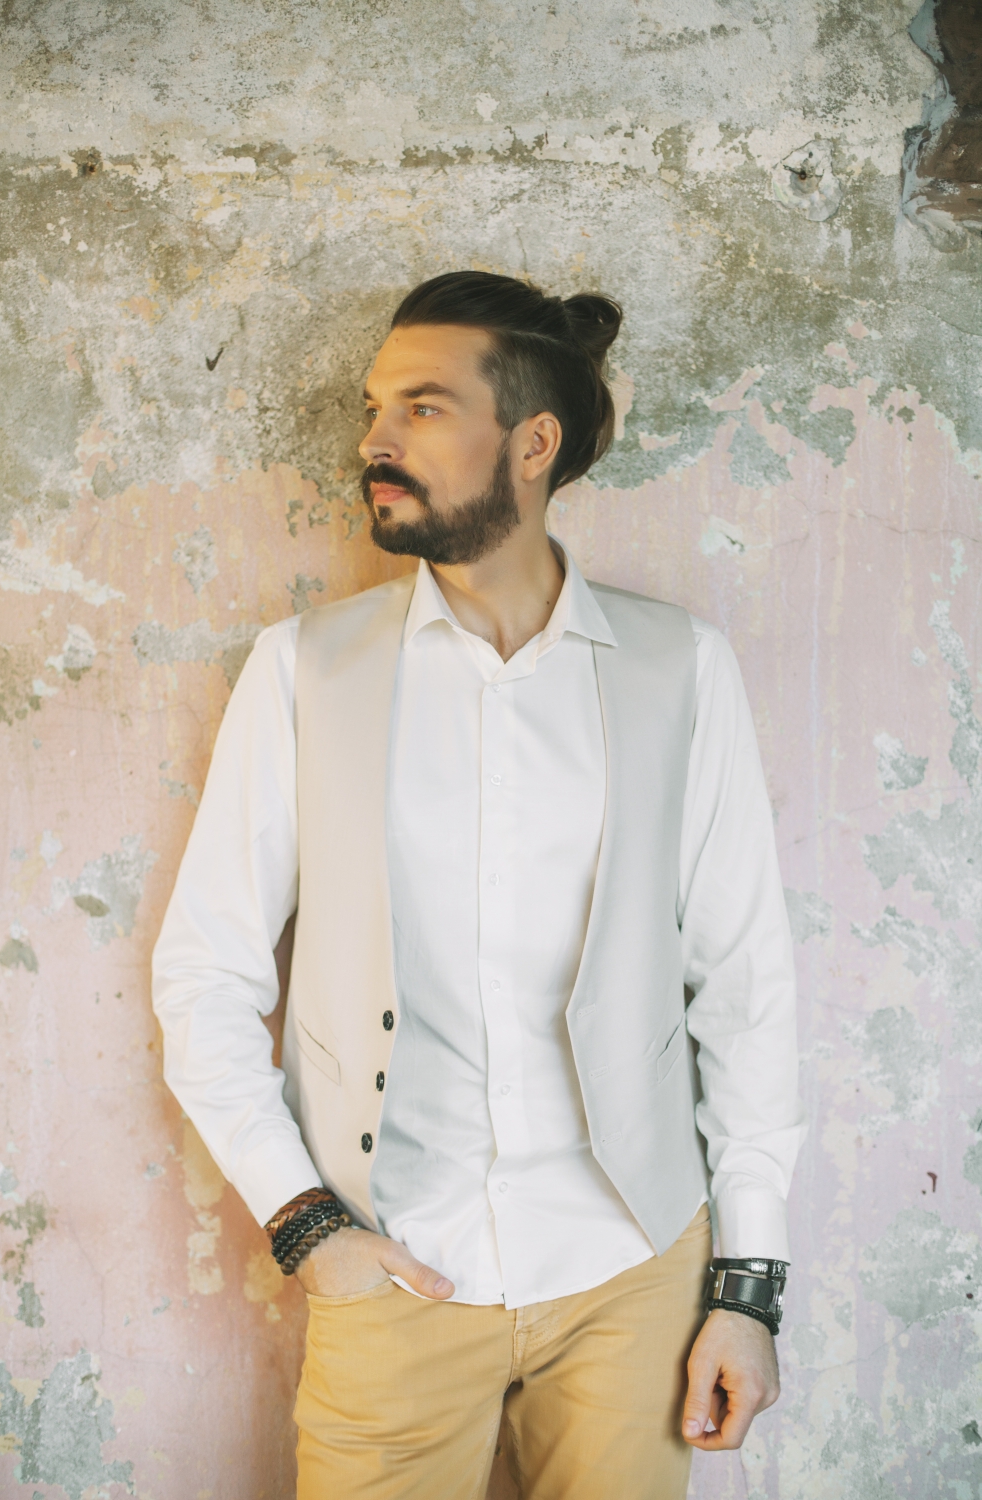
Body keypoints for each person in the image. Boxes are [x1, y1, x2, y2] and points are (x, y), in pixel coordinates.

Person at [152, 271, 805, 1500]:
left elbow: (744, 985)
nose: (375, 439)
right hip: (396, 1268)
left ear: (532, 442)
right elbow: (206, 972)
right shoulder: (301, 670)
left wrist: (747, 1289)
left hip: (631, 1277)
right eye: (374, 408)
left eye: (422, 407)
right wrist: (307, 1226)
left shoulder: (679, 667)